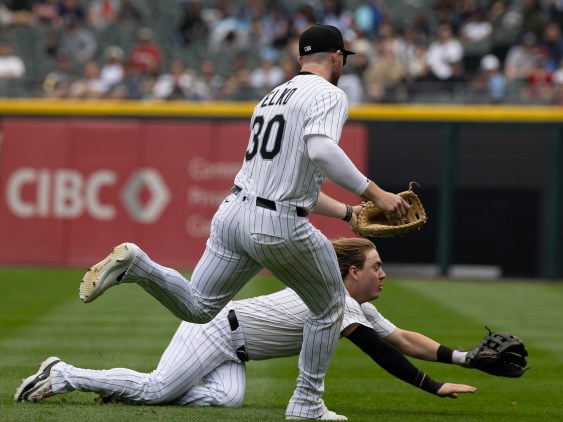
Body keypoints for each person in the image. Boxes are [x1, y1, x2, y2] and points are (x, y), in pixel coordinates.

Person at [75, 24, 408, 421]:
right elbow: (321, 150)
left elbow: (290, 176)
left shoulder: (270, 97)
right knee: (331, 305)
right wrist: (375, 193)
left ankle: (140, 265)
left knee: (199, 308)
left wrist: (349, 212)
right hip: (278, 223)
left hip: (233, 212)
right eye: (343, 58)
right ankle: (306, 403)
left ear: (302, 58)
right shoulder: (330, 93)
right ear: (337, 57)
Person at [14, 238, 476, 411]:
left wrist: (464, 358)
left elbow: (403, 339)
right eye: (376, 266)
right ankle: (62, 373)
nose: (383, 274)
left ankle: (117, 387)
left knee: (228, 399)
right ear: (352, 274)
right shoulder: (337, 301)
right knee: (157, 388)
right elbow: (383, 353)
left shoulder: (354, 305)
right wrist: (432, 388)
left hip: (235, 349)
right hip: (216, 328)